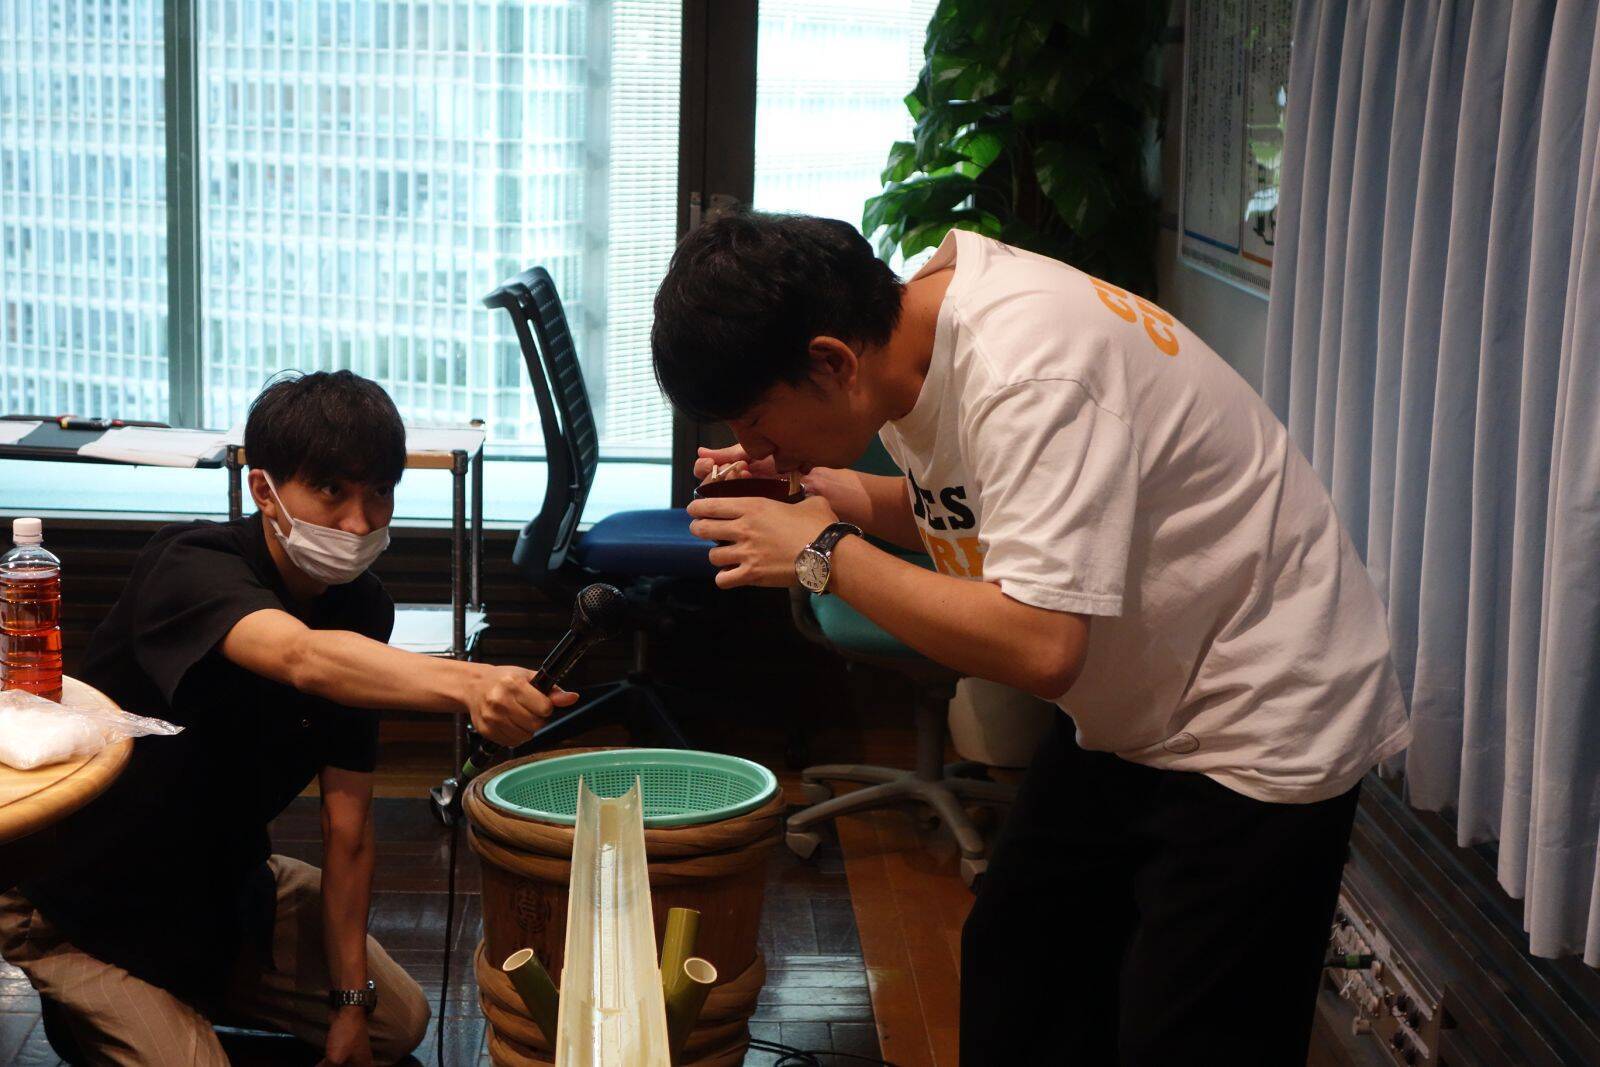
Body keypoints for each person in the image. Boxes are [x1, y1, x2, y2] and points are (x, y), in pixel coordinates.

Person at [651, 213, 1411, 1065]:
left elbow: (1041, 645)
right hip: (1152, 697)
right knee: (1019, 962)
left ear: (831, 362)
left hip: (1265, 708)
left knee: (1188, 1030)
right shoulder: (906, 338)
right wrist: (829, 496)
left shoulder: (1027, 370)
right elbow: (975, 511)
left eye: (758, 421)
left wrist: (824, 552)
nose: (751, 447)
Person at [0, 371, 577, 1067]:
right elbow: (301, 656)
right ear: (263, 490)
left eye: (380, 492)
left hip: (221, 882)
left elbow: (348, 829)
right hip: (80, 900)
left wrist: (350, 1005)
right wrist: (474, 683)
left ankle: (202, 990)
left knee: (397, 1022)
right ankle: (88, 1013)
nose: (360, 522)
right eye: (331, 491)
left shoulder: (361, 606)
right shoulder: (188, 566)